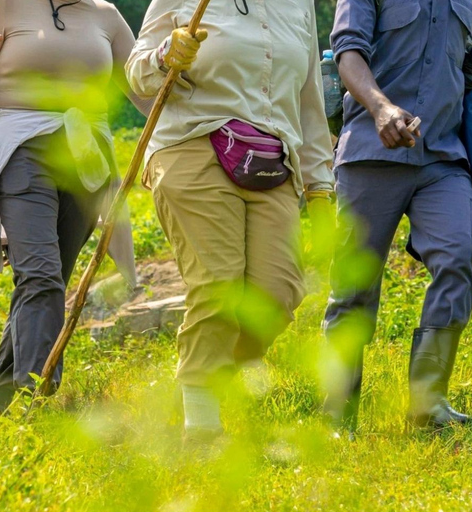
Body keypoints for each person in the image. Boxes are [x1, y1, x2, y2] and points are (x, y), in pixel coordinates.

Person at [126, 0, 334, 442]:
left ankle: (207, 375)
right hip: (192, 143)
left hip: (269, 158)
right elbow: (137, 73)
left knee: (276, 295)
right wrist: (166, 55)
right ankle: (201, 426)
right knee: (218, 285)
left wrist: (320, 187)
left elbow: (309, 100)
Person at [323, 0, 472, 436]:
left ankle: (427, 404)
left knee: (458, 256)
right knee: (355, 284)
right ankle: (338, 411)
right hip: (371, 150)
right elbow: (348, 50)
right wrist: (380, 108)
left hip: (443, 156)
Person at [0, 0, 152, 413]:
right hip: (23, 151)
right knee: (40, 275)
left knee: (46, 280)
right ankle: (33, 397)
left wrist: (179, 137)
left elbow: (145, 92)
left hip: (86, 158)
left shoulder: (106, 15)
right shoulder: (2, 6)